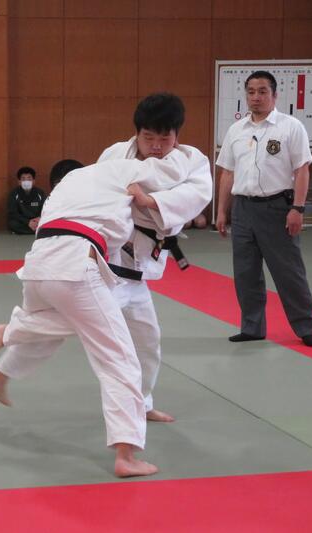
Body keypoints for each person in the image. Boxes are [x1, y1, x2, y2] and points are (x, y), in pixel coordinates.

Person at [0, 142, 197, 478]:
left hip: (36, 267)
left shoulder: (65, 189)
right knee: (119, 358)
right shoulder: (120, 170)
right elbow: (171, 171)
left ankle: (5, 351)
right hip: (77, 268)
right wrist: (184, 151)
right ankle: (126, 454)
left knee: (65, 327)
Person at [96, 93, 213, 422]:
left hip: (137, 274)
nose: (157, 146)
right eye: (149, 137)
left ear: (178, 135)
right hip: (108, 267)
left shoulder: (189, 161)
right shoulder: (115, 155)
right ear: (136, 133)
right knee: (92, 336)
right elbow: (99, 192)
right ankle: (12, 336)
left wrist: (149, 201)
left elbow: (195, 196)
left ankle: (143, 404)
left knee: (147, 342)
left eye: (165, 138)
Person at [215, 70, 312, 347]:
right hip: (243, 209)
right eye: (251, 92)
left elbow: (302, 170)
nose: (256, 97)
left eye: (262, 91)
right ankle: (252, 327)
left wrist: (298, 208)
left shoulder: (290, 127)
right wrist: (222, 211)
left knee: (289, 272)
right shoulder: (236, 130)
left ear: (274, 95)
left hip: (277, 208)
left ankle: (305, 327)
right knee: (245, 272)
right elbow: (227, 173)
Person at [7, 166, 46, 234]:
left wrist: (38, 219)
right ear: (19, 182)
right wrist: (28, 222)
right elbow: (13, 213)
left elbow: (45, 209)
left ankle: (31, 230)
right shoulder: (14, 193)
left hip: (37, 220)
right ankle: (36, 230)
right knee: (12, 224)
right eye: (23, 179)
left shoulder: (40, 193)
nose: (26, 181)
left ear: (34, 181)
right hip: (23, 221)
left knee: (48, 222)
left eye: (29, 178)